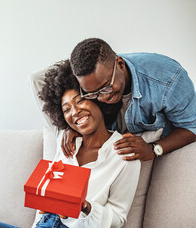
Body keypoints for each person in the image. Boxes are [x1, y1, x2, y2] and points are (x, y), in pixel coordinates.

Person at [0, 60, 140, 228]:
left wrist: (85, 207)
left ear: (96, 97)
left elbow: (118, 217)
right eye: (66, 109)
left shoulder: (125, 152)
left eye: (79, 101)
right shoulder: (65, 139)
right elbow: (37, 80)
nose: (75, 112)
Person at [31, 38, 196, 162]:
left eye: (106, 87)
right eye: (92, 94)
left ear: (120, 64)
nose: (102, 98)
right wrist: (66, 127)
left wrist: (154, 149)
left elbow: (192, 127)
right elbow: (36, 79)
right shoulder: (86, 77)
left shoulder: (168, 80)